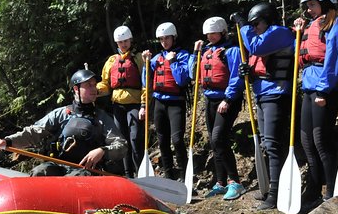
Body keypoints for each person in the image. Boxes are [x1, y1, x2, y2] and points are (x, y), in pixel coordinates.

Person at [0, 69, 128, 176]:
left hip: (85, 169)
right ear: (76, 89)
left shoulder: (101, 117)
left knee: (77, 178)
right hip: (57, 164)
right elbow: (33, 133)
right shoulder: (61, 114)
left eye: (94, 85)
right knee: (39, 172)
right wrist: (7, 142)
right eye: (88, 85)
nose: (94, 89)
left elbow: (121, 145)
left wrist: (102, 151)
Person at [293, 0, 338, 208]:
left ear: (325, 2)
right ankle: (314, 189)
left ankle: (331, 190)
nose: (308, 10)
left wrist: (323, 89)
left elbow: (336, 59)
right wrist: (298, 33)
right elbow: (302, 52)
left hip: (326, 88)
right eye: (307, 6)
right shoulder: (312, 24)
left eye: (312, 5)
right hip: (309, 86)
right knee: (306, 140)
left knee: (321, 140)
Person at [232, 3, 295, 210]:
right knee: (268, 145)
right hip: (262, 94)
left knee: (274, 145)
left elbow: (256, 47)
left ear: (268, 19)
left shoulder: (279, 32)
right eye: (251, 24)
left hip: (276, 95)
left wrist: (242, 25)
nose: (254, 27)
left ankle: (275, 195)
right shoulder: (262, 37)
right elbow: (260, 63)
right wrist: (248, 72)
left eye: (256, 23)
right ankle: (270, 188)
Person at [187, 17, 246, 199]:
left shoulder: (232, 50)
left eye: (213, 33)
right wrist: (195, 53)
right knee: (214, 142)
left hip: (227, 100)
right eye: (208, 34)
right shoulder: (205, 51)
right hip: (210, 99)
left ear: (222, 32)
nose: (210, 36)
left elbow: (237, 77)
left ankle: (235, 182)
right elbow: (192, 74)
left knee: (219, 138)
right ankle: (220, 182)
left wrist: (227, 99)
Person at [140, 22, 190, 181]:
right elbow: (145, 82)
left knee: (177, 140)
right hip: (159, 103)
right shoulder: (156, 58)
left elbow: (182, 80)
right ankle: (169, 175)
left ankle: (184, 175)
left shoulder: (183, 55)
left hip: (176, 103)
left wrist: (173, 62)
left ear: (173, 37)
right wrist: (146, 64)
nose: (164, 42)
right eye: (161, 39)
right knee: (162, 141)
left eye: (166, 38)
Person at [97, 25, 146, 178]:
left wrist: (144, 104)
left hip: (135, 104)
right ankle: (128, 174)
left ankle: (141, 173)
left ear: (130, 40)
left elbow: (146, 83)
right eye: (120, 42)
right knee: (122, 141)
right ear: (116, 43)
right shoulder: (111, 61)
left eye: (125, 41)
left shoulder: (139, 58)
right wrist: (96, 90)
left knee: (135, 138)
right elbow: (105, 84)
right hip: (118, 105)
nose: (123, 44)